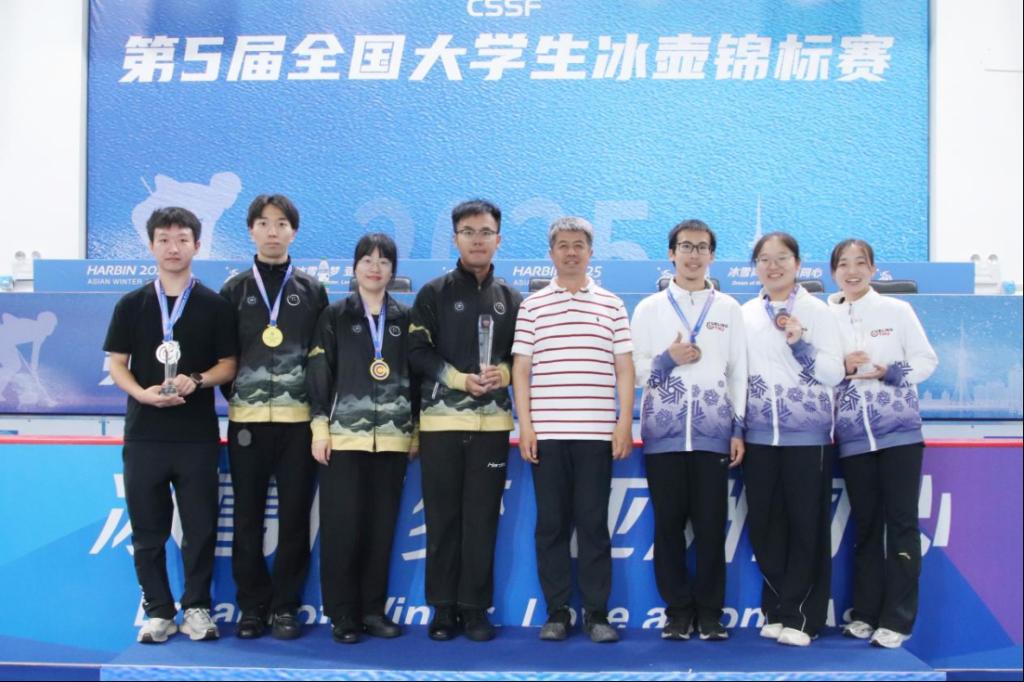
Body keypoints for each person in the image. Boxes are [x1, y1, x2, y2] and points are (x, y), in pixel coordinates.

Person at [103, 207, 237, 644]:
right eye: (164, 239)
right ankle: (158, 611)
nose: (173, 247)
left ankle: (197, 607)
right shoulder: (131, 304)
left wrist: (196, 379)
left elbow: (229, 364)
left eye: (182, 239)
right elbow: (117, 363)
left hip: (196, 437)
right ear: (151, 245)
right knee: (148, 531)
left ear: (197, 245)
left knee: (200, 528)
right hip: (144, 434)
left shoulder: (215, 305)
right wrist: (140, 393)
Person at [512, 216, 635, 643]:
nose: (571, 252)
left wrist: (623, 422)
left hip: (597, 435)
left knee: (593, 525)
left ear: (590, 252)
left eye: (578, 244)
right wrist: (526, 426)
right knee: (551, 526)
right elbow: (521, 369)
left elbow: (625, 368)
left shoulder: (612, 304)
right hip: (547, 435)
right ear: (551, 253)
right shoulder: (532, 306)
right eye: (563, 245)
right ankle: (558, 612)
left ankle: (597, 614)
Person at [408, 199, 522, 642]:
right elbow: (416, 353)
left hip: (492, 427)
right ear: (455, 238)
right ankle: (442, 608)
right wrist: (457, 379)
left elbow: (522, 359)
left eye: (486, 232)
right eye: (469, 232)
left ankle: (475, 609)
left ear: (499, 240)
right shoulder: (432, 293)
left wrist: (503, 375)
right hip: (440, 425)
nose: (478, 240)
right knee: (443, 520)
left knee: (481, 520)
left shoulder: (512, 299)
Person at [629, 219, 746, 641]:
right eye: (685, 246)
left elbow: (738, 372)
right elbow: (634, 371)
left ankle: (711, 613)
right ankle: (677, 612)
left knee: (712, 527)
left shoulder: (728, 308)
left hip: (714, 435)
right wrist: (667, 359)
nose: (693, 255)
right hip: (663, 437)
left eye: (701, 247)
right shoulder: (649, 309)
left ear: (712, 255)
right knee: (668, 527)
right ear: (671, 253)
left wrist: (738, 428)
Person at [219, 195, 328, 640]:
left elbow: (321, 360)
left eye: (281, 223)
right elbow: (223, 357)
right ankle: (251, 608)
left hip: (298, 424)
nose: (272, 231)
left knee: (295, 518)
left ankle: (285, 606)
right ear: (251, 230)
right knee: (246, 517)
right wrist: (240, 395)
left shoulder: (313, 291)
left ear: (293, 232)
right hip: (246, 423)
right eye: (263, 223)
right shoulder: (233, 290)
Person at [307, 233, 418, 644]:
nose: (375, 267)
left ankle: (373, 610)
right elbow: (319, 374)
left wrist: (415, 431)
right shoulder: (335, 315)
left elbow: (418, 380)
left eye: (384, 261)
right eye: (368, 260)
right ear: (354, 268)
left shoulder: (406, 318)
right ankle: (342, 614)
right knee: (342, 530)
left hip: (392, 441)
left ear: (393, 270)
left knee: (380, 530)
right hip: (343, 440)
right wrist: (320, 427)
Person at [828, 239, 938, 649]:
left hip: (899, 435)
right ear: (833, 272)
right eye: (843, 264)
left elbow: (927, 362)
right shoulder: (825, 318)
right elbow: (818, 373)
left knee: (902, 526)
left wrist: (889, 371)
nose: (852, 271)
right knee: (867, 527)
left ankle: (898, 619)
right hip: (853, 439)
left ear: (873, 269)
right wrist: (842, 367)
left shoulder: (897, 311)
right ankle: (865, 613)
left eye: (860, 263)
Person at [741, 231, 844, 647]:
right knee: (766, 526)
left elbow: (835, 373)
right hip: (758, 436)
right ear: (755, 268)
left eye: (782, 258)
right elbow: (736, 375)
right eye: (764, 259)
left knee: (806, 527)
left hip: (807, 436)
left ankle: (804, 618)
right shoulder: (745, 314)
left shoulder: (819, 312)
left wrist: (802, 345)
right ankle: (777, 608)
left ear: (798, 264)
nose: (773, 266)